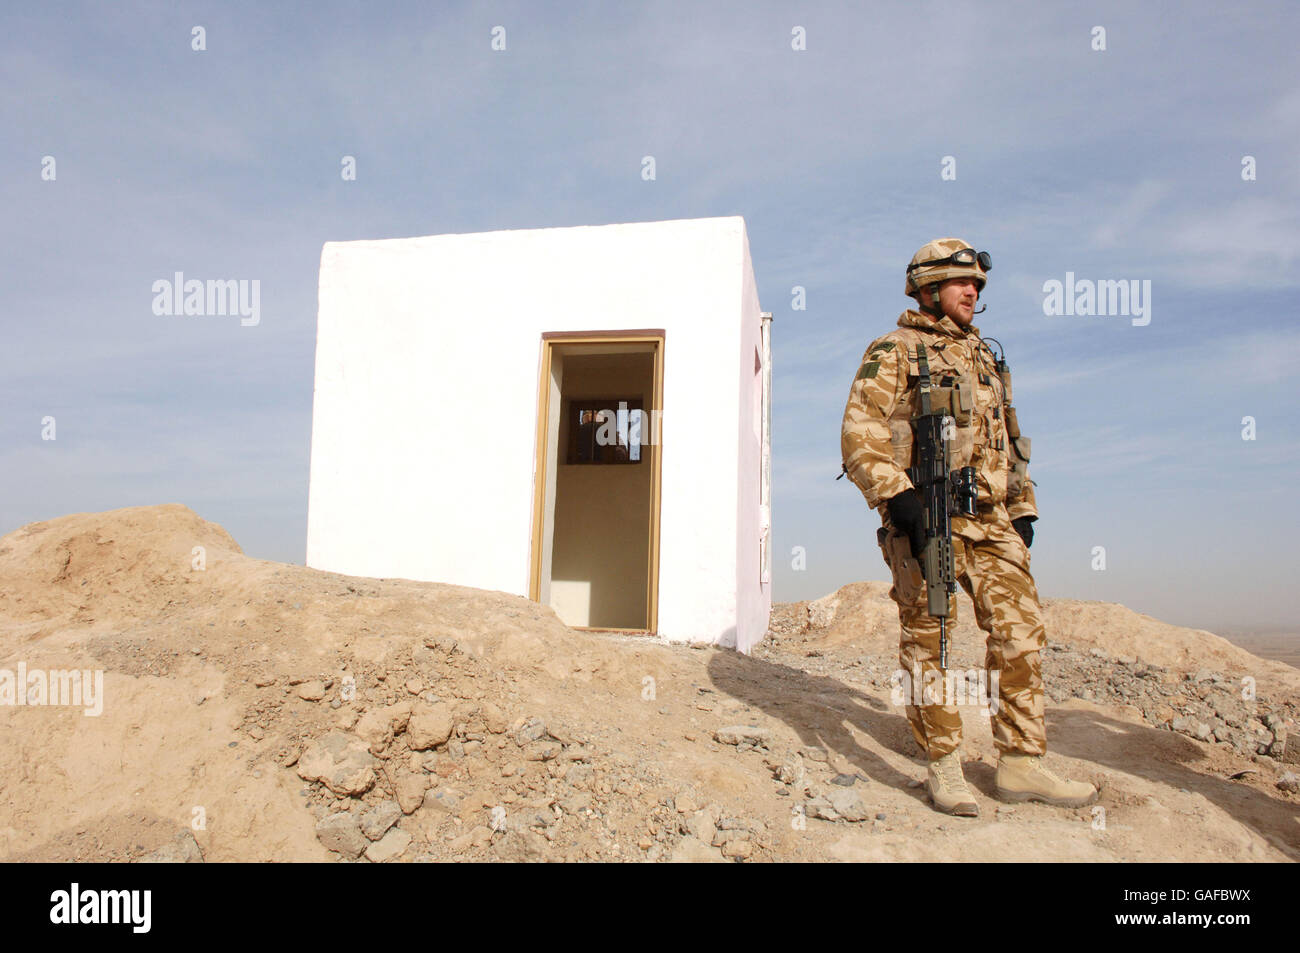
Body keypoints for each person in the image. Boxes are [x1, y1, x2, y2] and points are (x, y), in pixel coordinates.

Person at [840, 238, 1098, 816]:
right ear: (928, 289)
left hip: (991, 517)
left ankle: (1021, 764)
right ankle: (944, 764)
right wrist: (895, 496)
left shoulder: (987, 357)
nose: (972, 293)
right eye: (961, 283)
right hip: (925, 514)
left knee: (1022, 633)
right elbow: (860, 432)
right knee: (929, 641)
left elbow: (1007, 439)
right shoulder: (897, 349)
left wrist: (1022, 506)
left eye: (978, 285)